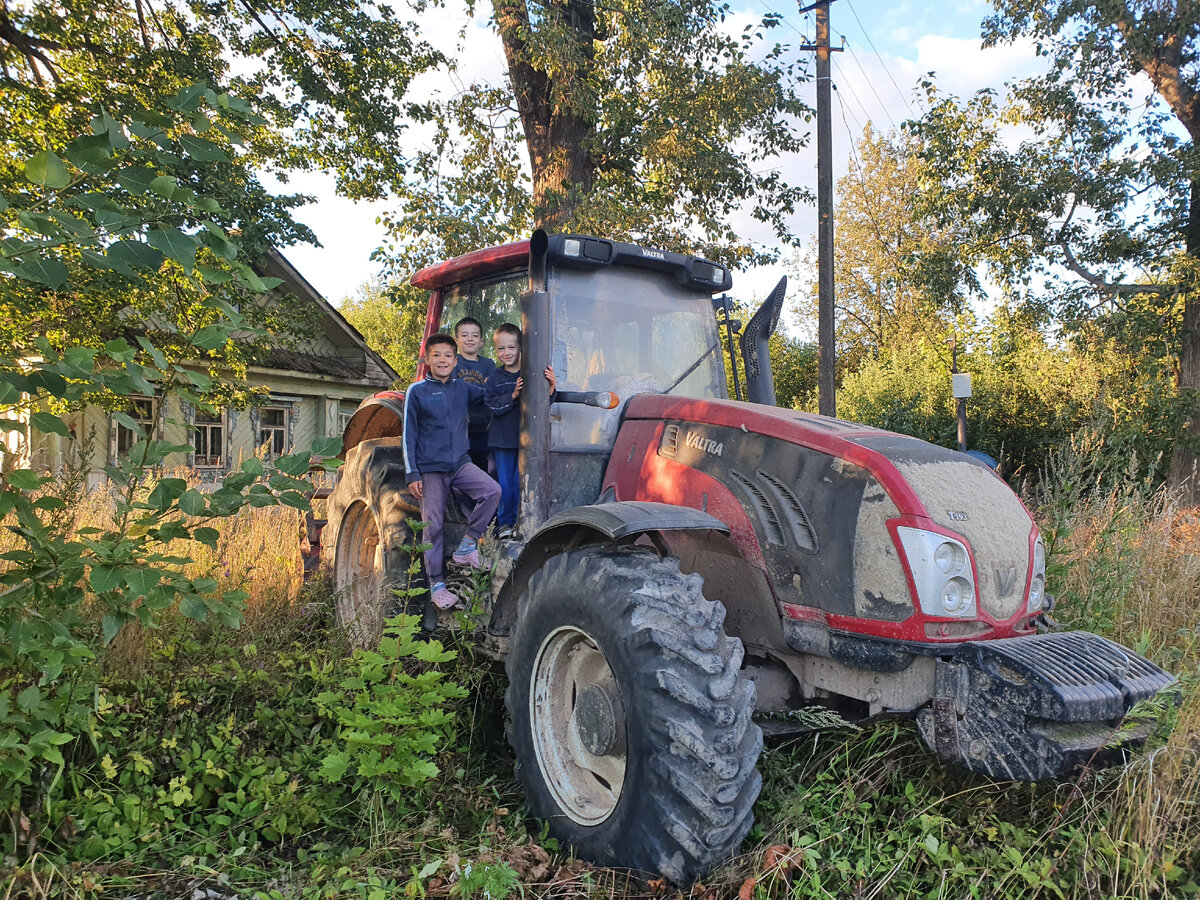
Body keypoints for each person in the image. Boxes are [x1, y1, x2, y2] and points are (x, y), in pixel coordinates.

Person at [404, 333, 501, 610]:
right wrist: (412, 474)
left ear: (455, 360)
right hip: (430, 469)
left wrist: (519, 387)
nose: (443, 360)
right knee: (432, 525)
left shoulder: (462, 388)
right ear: (427, 360)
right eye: (437, 355)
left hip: (459, 463)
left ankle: (467, 545)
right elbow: (407, 436)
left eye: (448, 355)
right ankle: (436, 584)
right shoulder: (417, 391)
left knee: (492, 490)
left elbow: (491, 396)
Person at [484, 325, 556, 539]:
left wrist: (550, 389)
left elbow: (543, 405)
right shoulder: (496, 377)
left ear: (521, 348)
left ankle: (522, 523)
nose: (506, 353)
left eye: (511, 347)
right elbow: (491, 405)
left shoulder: (532, 374)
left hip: (528, 441)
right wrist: (513, 395)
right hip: (503, 442)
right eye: (500, 348)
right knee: (505, 485)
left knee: (522, 483)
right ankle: (504, 524)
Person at [453, 317, 496, 472]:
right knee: (458, 471)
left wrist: (464, 386)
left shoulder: (489, 364)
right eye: (464, 335)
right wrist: (481, 387)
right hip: (459, 428)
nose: (470, 339)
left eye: (474, 335)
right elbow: (453, 391)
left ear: (481, 341)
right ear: (456, 340)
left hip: (482, 428)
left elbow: (490, 391)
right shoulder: (452, 362)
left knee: (481, 470)